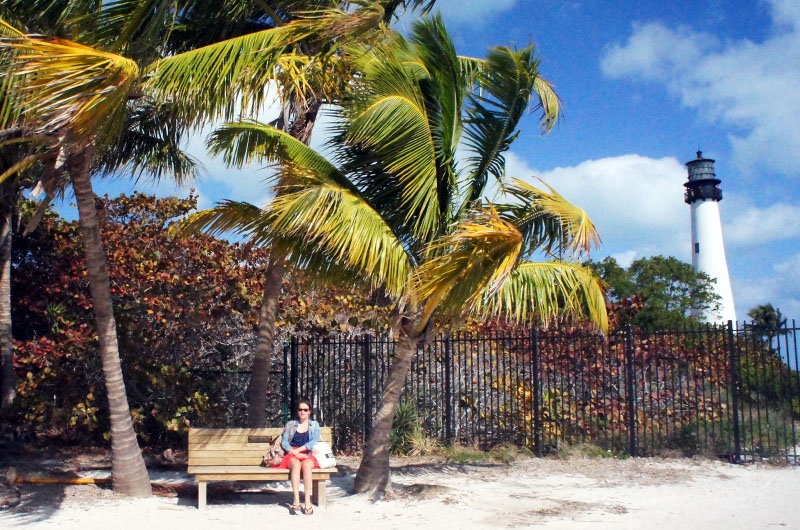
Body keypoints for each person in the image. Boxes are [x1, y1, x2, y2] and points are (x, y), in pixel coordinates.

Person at [273, 398, 320, 514]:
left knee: (308, 465)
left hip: (306, 453)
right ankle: (296, 499)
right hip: (292, 453)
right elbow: (284, 442)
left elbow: (313, 441)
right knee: (295, 464)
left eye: (305, 410)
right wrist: (295, 452)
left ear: (310, 411)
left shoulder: (314, 425)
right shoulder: (291, 424)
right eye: (300, 410)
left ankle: (308, 501)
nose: (302, 412)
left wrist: (300, 451)